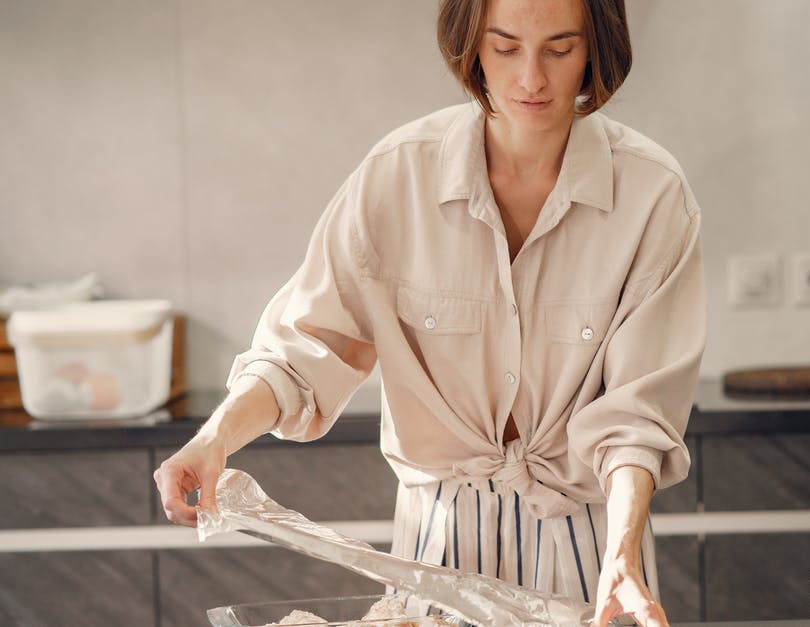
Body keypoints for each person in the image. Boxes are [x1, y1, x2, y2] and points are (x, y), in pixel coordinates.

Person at [153, 0, 704, 625]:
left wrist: (624, 550)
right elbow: (301, 353)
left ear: (596, 47)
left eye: (559, 48)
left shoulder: (653, 195)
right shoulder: (396, 177)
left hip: (592, 546)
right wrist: (213, 438)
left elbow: (636, 416)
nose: (531, 78)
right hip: (435, 549)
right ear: (470, 44)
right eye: (504, 47)